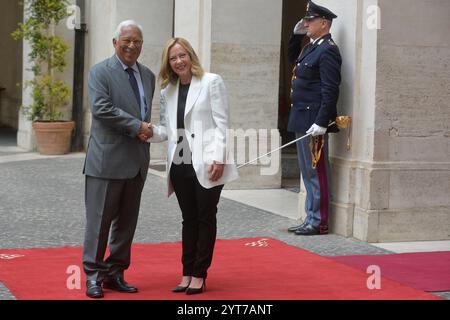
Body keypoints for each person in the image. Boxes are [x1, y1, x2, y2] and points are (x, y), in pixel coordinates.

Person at [148, 37, 238, 295]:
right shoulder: (167, 91)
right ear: (169, 63)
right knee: (188, 219)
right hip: (179, 162)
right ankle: (186, 272)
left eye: (182, 55)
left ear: (191, 56)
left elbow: (222, 123)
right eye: (173, 58)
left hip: (208, 161)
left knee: (205, 217)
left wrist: (219, 157)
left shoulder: (212, 82)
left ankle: (200, 273)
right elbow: (167, 129)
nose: (178, 61)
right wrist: (148, 131)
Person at [82, 20, 155, 298]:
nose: (132, 45)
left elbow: (145, 112)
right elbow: (101, 109)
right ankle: (93, 275)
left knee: (126, 223)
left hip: (136, 162)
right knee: (99, 222)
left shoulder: (147, 75)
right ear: (115, 42)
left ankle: (116, 273)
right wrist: (138, 126)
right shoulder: (100, 72)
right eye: (126, 40)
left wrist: (149, 130)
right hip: (106, 161)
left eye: (137, 41)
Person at [286, 1, 342, 236]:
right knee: (306, 171)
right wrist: (295, 35)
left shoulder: (328, 49)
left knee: (316, 171)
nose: (306, 23)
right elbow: (291, 58)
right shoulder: (311, 47)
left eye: (310, 21)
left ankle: (318, 221)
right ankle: (311, 216)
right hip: (301, 118)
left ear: (324, 23)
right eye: (305, 21)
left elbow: (330, 89)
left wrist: (322, 121)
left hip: (313, 121)